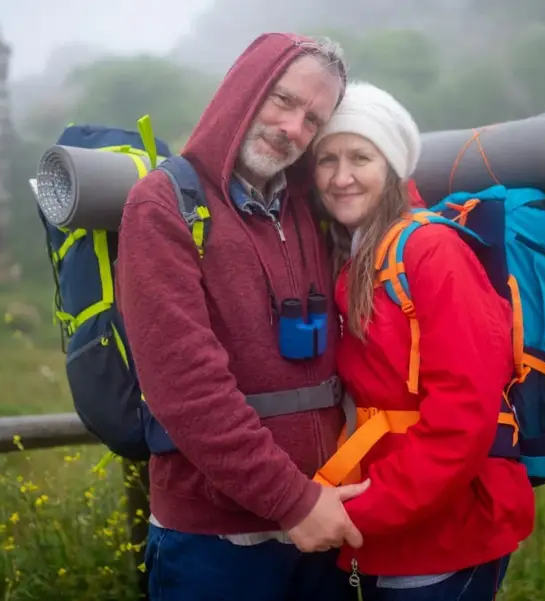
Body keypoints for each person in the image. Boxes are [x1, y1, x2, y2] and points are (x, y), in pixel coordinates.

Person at [115, 33, 370, 601]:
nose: (292, 129)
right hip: (215, 545)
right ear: (245, 89)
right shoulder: (162, 205)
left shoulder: (310, 209)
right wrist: (292, 501)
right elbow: (187, 388)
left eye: (312, 119)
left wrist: (313, 504)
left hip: (320, 527)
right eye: (283, 100)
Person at [311, 81, 536, 600]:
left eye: (360, 157)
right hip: (393, 526)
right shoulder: (356, 254)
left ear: (392, 166)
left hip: (444, 533)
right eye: (327, 160)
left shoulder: (432, 250)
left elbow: (462, 415)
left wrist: (362, 511)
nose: (341, 177)